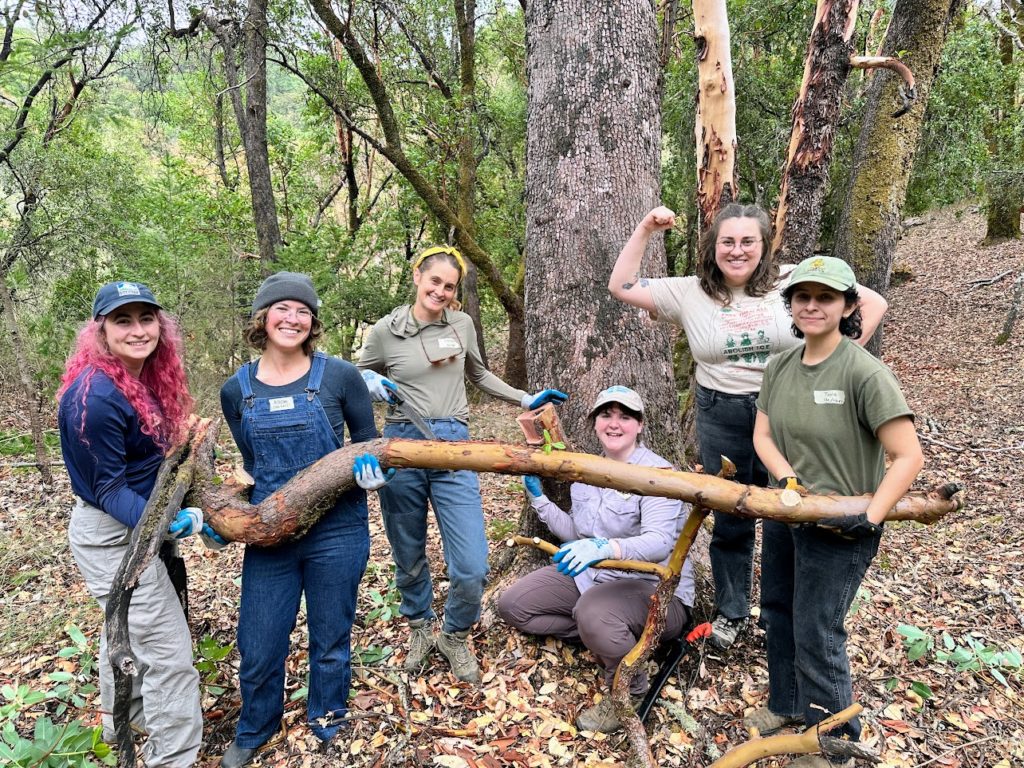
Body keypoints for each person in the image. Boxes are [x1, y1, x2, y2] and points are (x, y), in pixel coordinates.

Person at [608, 204, 888, 650]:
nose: (737, 251)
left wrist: (835, 360)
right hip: (721, 411)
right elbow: (620, 285)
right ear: (713, 247)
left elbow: (873, 301)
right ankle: (732, 612)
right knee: (731, 514)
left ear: (764, 246)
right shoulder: (689, 292)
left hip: (787, 413)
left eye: (747, 242)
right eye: (727, 242)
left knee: (786, 509)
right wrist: (645, 227)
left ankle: (779, 615)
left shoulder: (791, 281)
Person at [358, 245, 567, 683]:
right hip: (402, 442)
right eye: (434, 281)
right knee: (408, 551)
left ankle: (454, 634)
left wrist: (524, 397)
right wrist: (367, 379)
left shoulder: (462, 323)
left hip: (454, 442)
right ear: (417, 276)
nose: (440, 291)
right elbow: (354, 380)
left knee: (471, 565)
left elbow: (479, 375)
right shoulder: (384, 330)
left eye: (449, 286)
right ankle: (419, 626)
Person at [748, 256, 923, 767]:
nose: (811, 305)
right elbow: (763, 435)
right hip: (791, 513)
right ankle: (786, 705)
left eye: (824, 297)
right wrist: (786, 479)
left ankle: (832, 741)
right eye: (802, 296)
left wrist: (868, 517)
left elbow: (908, 455)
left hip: (844, 527)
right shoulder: (780, 366)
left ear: (848, 305)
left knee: (817, 628)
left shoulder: (863, 372)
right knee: (777, 613)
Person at [218, 272, 391, 768]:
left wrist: (372, 475)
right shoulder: (237, 389)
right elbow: (250, 460)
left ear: (313, 323)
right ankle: (255, 727)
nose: (293, 319)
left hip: (338, 527)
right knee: (258, 639)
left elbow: (368, 442)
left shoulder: (338, 376)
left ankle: (327, 713)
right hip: (270, 532)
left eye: (303, 312)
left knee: (330, 633)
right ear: (262, 318)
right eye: (282, 309)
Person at [58, 281, 205, 768]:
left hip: (137, 522)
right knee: (168, 652)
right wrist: (166, 521)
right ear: (100, 330)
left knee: (121, 630)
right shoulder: (94, 395)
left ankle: (126, 720)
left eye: (147, 319)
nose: (139, 330)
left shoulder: (141, 377)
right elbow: (107, 490)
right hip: (112, 533)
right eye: (124, 320)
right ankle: (174, 758)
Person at [497, 386, 695, 734]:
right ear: (594, 423)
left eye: (625, 416)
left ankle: (630, 690)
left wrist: (605, 547)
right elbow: (577, 534)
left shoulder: (660, 473)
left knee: (594, 611)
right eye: (606, 415)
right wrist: (539, 500)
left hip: (657, 590)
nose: (614, 424)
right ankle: (610, 637)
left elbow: (659, 542)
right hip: (595, 579)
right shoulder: (586, 471)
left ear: (641, 425)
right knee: (514, 605)